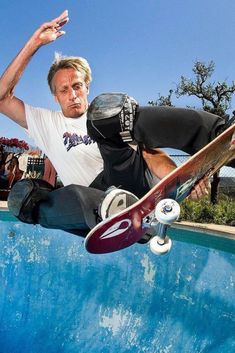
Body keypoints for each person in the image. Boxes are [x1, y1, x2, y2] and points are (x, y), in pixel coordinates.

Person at [0, 10, 232, 237]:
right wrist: (35, 43)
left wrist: (180, 179)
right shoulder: (44, 122)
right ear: (55, 96)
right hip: (89, 209)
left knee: (103, 114)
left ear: (87, 87)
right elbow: (2, 98)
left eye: (77, 86)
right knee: (23, 198)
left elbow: (150, 155)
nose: (72, 95)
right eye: (64, 90)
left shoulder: (106, 119)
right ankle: (112, 211)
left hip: (129, 183)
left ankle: (219, 135)